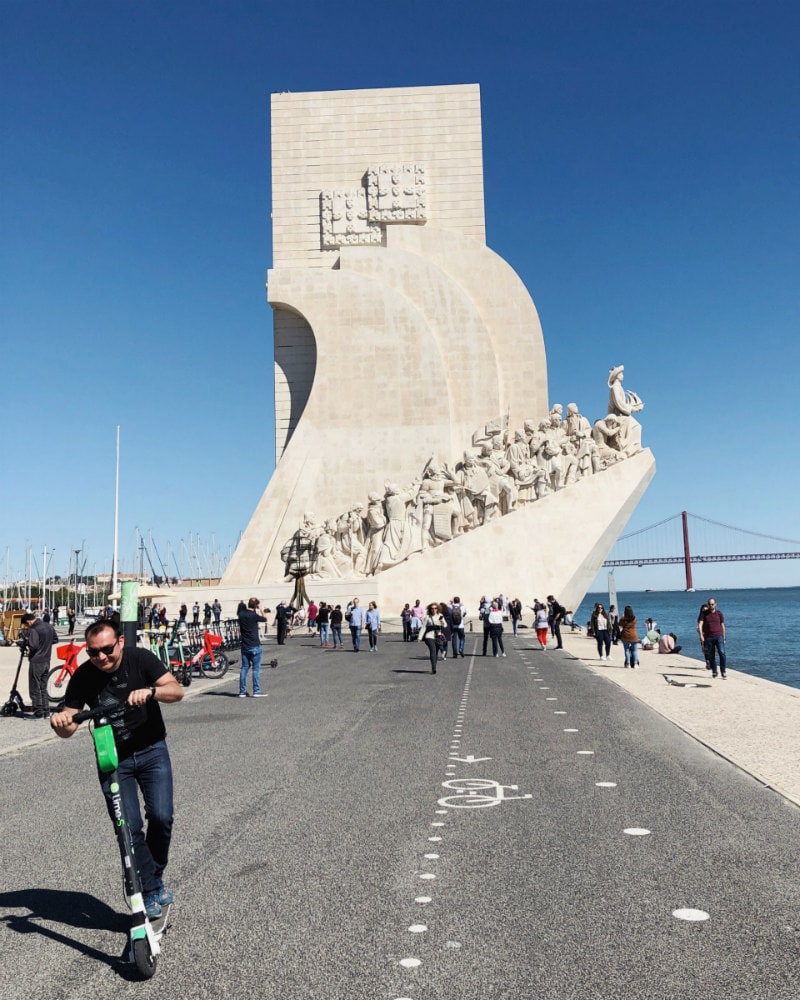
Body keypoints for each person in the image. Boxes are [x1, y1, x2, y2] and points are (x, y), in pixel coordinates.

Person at [50, 619, 184, 919]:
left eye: (107, 650)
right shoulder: (84, 675)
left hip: (152, 750)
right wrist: (61, 723)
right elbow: (69, 723)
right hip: (113, 760)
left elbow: (176, 691)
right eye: (93, 652)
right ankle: (148, 889)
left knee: (162, 818)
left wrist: (151, 692)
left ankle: (152, 877)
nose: (101, 658)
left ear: (120, 642)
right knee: (129, 827)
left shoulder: (140, 659)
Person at [21, 612, 57, 719]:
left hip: (37, 660)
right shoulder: (48, 626)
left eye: (26, 625)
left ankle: (38, 712)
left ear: (28, 621)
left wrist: (26, 641)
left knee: (35, 687)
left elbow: (33, 645)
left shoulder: (34, 629)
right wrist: (45, 645)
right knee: (43, 687)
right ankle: (46, 711)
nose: (27, 627)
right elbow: (55, 639)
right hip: (47, 659)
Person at [238, 598, 269, 697]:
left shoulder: (241, 614)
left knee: (244, 668)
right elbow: (265, 619)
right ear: (256, 606)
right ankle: (256, 690)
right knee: (255, 669)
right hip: (254, 644)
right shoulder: (254, 615)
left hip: (245, 645)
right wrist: (261, 609)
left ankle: (242, 691)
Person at [698, 597, 726, 679]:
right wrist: (701, 635)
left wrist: (724, 637)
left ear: (715, 604)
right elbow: (700, 624)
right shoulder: (704, 614)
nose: (711, 606)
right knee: (711, 655)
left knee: (722, 653)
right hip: (708, 637)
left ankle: (723, 671)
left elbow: (722, 625)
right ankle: (714, 671)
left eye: (712, 604)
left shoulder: (719, 614)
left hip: (719, 636)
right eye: (710, 604)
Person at [421, 603, 442, 673]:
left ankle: (434, 665)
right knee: (433, 650)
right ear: (430, 609)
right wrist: (420, 637)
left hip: (438, 636)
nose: (434, 610)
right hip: (429, 636)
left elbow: (445, 625)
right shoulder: (427, 617)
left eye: (435, 608)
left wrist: (442, 622)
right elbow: (423, 627)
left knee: (436, 652)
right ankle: (434, 668)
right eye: (432, 608)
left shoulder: (440, 616)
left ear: (437, 609)